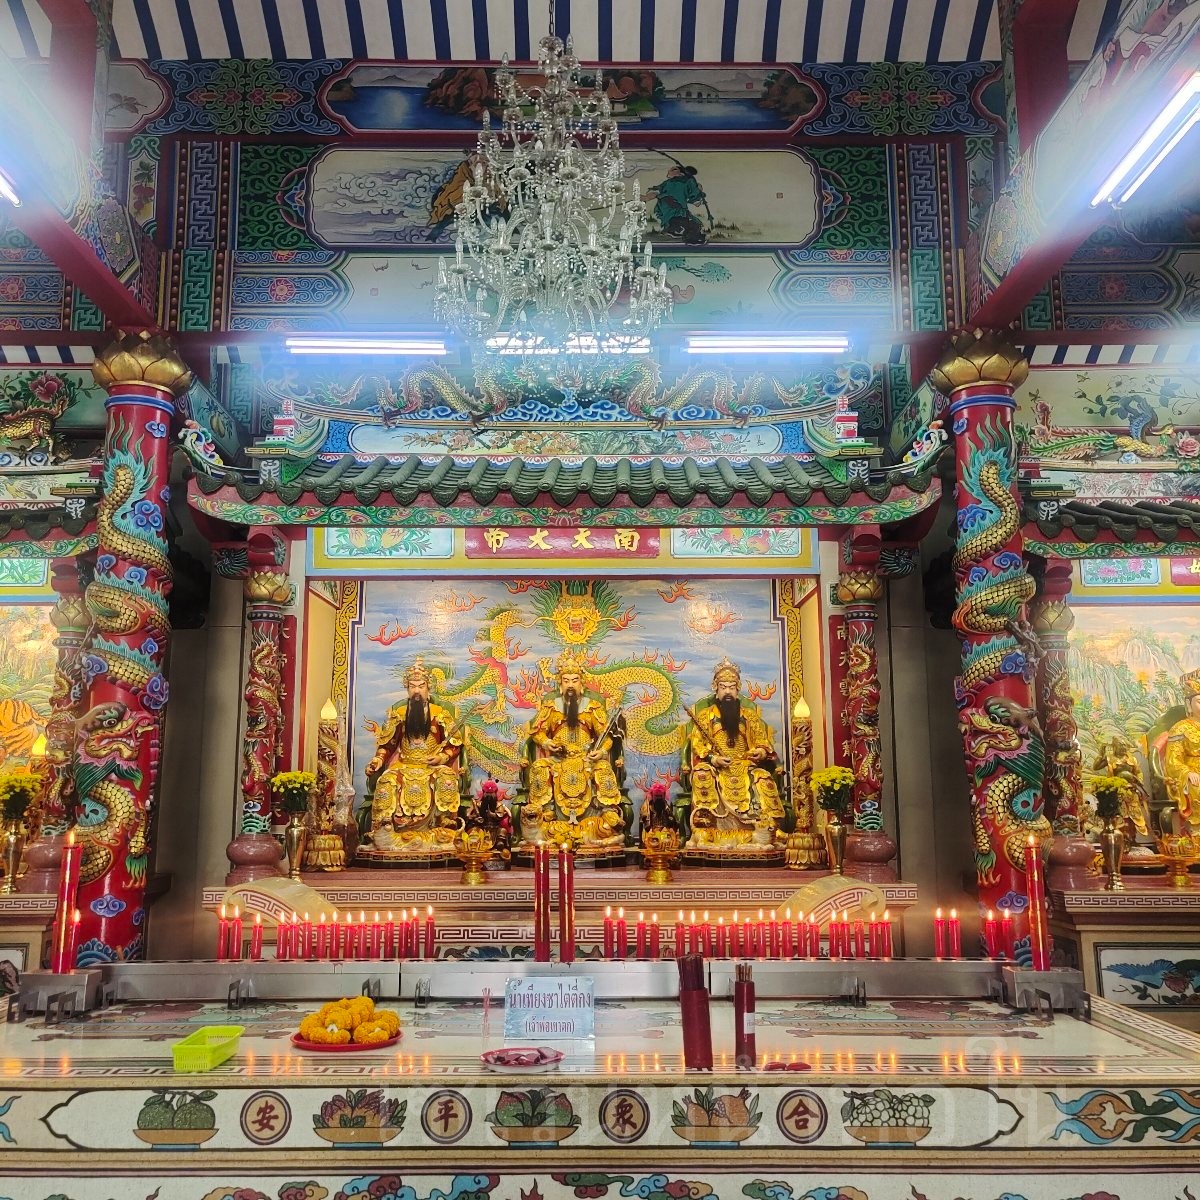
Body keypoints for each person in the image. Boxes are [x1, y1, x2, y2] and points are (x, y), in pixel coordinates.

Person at [518, 649, 627, 852]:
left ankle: (607, 811)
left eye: (574, 680)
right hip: (559, 758)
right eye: (566, 680)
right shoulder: (551, 707)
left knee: (603, 768)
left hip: (586, 758)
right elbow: (537, 733)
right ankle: (547, 811)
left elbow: (606, 737)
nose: (570, 684)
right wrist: (547, 743)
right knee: (539, 766)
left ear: (581, 683)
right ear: (560, 683)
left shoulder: (592, 707)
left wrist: (601, 752)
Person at [680, 657, 788, 853]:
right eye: (723, 687)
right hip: (717, 766)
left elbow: (762, 741)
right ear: (716, 689)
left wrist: (760, 751)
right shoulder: (705, 716)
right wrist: (713, 759)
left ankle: (769, 828)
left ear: (738, 689)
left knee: (763, 777)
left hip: (745, 764)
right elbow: (697, 744)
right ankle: (709, 829)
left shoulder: (749, 716)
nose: (727, 691)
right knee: (702, 773)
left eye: (731, 687)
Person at [361, 658, 465, 858]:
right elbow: (388, 744)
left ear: (428, 688)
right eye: (412, 686)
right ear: (407, 688)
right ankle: (383, 832)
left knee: (446, 778)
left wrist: (441, 758)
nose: (417, 691)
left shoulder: (440, 714)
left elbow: (454, 745)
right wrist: (377, 761)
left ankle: (443, 828)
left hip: (431, 766)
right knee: (386, 781)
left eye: (421, 686)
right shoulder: (399, 714)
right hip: (404, 765)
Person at [1092, 735, 1152, 840]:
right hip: (1117, 792)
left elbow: (1138, 772)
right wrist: (1101, 754)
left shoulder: (1132, 759)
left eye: (1124, 745)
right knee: (1120, 815)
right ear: (1115, 747)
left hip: (1131, 790)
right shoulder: (1110, 759)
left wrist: (1138, 780)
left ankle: (1132, 838)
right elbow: (1096, 767)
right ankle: (1121, 839)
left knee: (1135, 816)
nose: (1123, 748)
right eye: (1120, 745)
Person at [1164, 669, 1200, 832]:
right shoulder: (1180, 728)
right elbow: (1173, 760)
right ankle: (1197, 832)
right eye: (1199, 701)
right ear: (1189, 704)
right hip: (1193, 774)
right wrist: (1187, 773)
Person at [644, 164, 708, 244]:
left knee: (695, 223)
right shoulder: (667, 183)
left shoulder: (688, 182)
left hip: (680, 210)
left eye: (674, 169)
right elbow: (656, 191)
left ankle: (691, 238)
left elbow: (694, 199)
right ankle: (675, 230)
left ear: (681, 172)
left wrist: (699, 192)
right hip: (669, 208)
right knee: (683, 222)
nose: (669, 171)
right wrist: (648, 197)